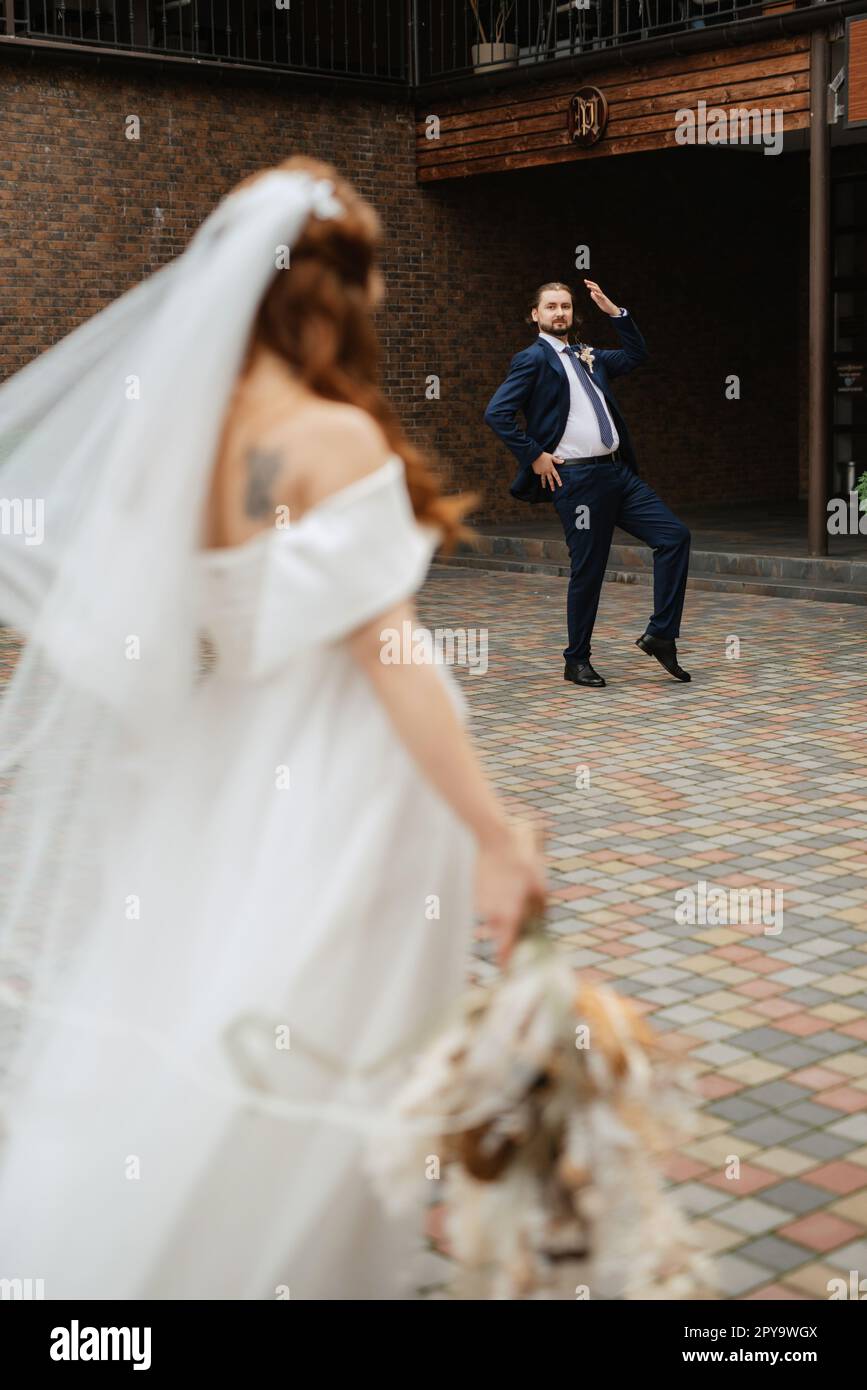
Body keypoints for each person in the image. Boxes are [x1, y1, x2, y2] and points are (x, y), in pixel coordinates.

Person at [0, 155, 546, 1300]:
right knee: (330, 1069)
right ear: (332, 291)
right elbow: (388, 652)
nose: (388, 297)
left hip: (234, 763)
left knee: (224, 1028)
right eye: (378, 274)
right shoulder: (326, 436)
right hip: (351, 785)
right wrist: (494, 832)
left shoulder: (178, 445)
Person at [484, 279, 691, 688]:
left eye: (565, 306)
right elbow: (497, 413)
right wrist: (535, 456)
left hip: (618, 474)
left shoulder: (586, 355)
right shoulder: (531, 359)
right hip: (577, 481)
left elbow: (636, 355)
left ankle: (661, 634)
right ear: (535, 315)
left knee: (674, 536)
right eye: (551, 307)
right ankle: (576, 659)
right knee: (589, 569)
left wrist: (616, 312)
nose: (560, 313)